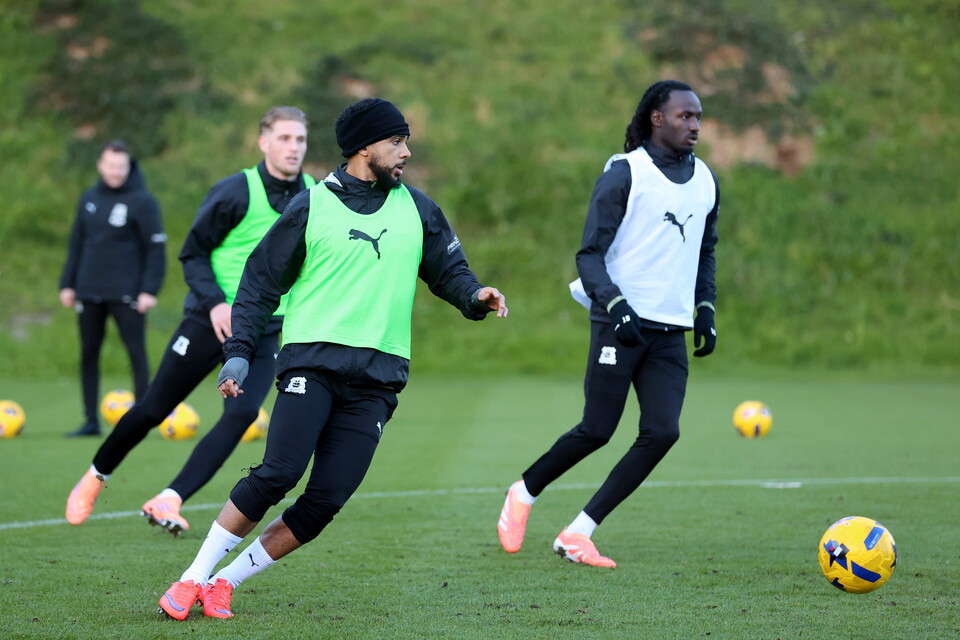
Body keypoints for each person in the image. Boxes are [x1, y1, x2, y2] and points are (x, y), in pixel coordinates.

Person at [157, 97, 508, 621]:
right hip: (311, 366)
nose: (406, 151)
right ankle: (189, 580)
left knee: (325, 501)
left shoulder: (419, 208)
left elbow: (448, 271)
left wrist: (474, 296)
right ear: (365, 147)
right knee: (278, 473)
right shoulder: (310, 205)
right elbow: (257, 286)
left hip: (378, 380)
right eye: (397, 141)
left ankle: (224, 582)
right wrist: (238, 355)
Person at [497, 80, 719, 568]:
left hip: (669, 330)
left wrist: (705, 308)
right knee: (597, 429)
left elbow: (705, 250)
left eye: (699, 117)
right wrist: (615, 303)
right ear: (657, 118)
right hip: (618, 321)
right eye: (685, 116)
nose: (695, 125)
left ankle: (579, 532)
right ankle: (524, 490)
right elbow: (589, 253)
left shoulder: (706, 179)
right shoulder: (625, 173)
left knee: (663, 432)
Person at [65, 106, 316, 532]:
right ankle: (95, 476)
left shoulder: (316, 195)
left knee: (241, 416)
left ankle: (169, 499)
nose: (293, 147)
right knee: (153, 409)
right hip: (209, 320)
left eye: (300, 140)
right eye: (285, 138)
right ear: (263, 142)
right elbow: (193, 253)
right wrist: (217, 303)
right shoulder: (235, 192)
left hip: (266, 328)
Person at [60, 140, 166, 437]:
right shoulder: (89, 198)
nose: (116, 171)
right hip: (89, 290)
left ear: (128, 167)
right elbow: (76, 244)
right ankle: (90, 421)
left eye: (122, 166)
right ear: (101, 166)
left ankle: (142, 419)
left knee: (136, 353)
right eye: (111, 165)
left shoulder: (143, 200)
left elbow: (155, 249)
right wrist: (67, 284)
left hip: (128, 293)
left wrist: (149, 290)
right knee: (89, 354)